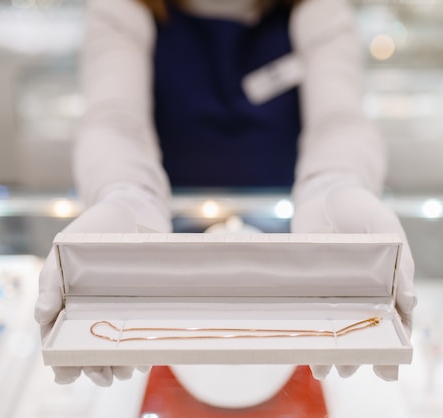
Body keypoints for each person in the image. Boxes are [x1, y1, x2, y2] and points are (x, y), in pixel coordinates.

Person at [34, 0, 417, 387]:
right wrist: (124, 199)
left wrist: (335, 186)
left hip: (292, 271)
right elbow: (114, 119)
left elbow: (340, 118)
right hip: (163, 273)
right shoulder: (126, 8)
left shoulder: (316, 9)